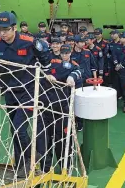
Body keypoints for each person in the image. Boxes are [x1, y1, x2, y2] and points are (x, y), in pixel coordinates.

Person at [0, 11, 51, 178]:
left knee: (19, 128)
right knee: (13, 129)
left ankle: (32, 155)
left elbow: (45, 54)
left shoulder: (29, 42)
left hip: (29, 90)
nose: (2, 33)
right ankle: (21, 164)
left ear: (14, 28)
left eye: (6, 30)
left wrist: (45, 72)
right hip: (9, 91)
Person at [38, 44, 81, 173]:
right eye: (62, 52)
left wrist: (72, 76)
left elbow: (79, 71)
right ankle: (45, 168)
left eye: (67, 53)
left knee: (62, 139)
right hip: (45, 107)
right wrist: (46, 74)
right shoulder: (50, 63)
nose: (64, 55)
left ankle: (65, 167)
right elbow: (39, 69)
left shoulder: (71, 66)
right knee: (44, 140)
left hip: (62, 108)